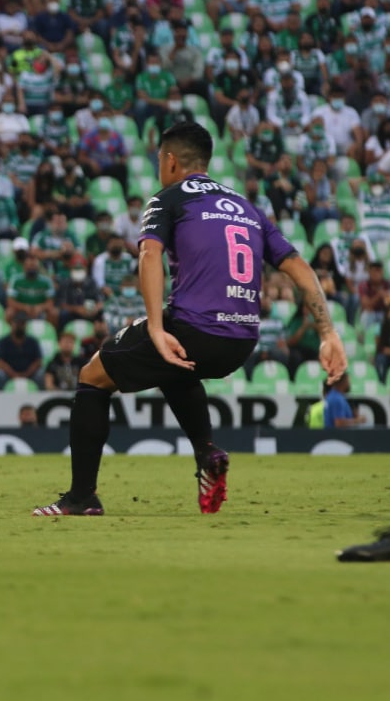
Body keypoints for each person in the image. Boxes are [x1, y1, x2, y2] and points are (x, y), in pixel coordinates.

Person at [34, 122, 348, 517]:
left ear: (169, 161)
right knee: (174, 366)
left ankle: (81, 499)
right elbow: (299, 267)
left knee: (92, 376)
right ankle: (208, 454)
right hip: (242, 340)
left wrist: (154, 326)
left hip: (195, 326)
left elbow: (150, 256)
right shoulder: (247, 208)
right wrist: (328, 332)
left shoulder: (168, 198)